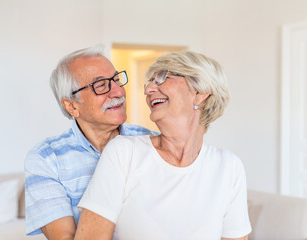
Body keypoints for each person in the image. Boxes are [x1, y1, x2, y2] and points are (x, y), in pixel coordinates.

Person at [76, 50, 252, 240]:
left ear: (200, 92)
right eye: (148, 83)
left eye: (161, 78)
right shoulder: (124, 152)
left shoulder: (229, 167)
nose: (148, 89)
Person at [24, 46, 155, 240]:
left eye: (117, 80)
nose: (118, 91)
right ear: (72, 106)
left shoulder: (151, 141)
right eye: (101, 85)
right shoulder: (46, 159)